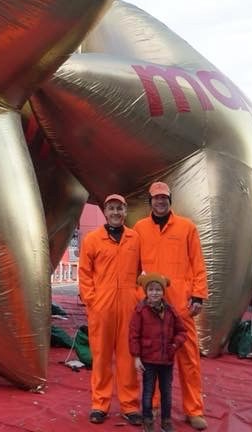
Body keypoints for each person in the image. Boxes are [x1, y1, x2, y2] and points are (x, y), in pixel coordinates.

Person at [133, 182, 209, 431]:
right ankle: (153, 406)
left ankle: (194, 409)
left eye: (164, 198)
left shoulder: (187, 227)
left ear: (170, 200)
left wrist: (197, 295)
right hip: (152, 306)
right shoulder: (140, 229)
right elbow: (133, 267)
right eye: (156, 198)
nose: (160, 202)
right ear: (150, 202)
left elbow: (198, 263)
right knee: (153, 358)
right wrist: (139, 295)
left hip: (181, 304)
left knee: (189, 359)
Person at [78, 194, 142, 425]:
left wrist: (138, 297)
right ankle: (100, 404)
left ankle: (130, 405)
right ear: (105, 212)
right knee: (102, 357)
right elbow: (84, 273)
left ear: (125, 212)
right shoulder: (93, 239)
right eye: (112, 208)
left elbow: (144, 271)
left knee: (128, 357)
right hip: (101, 306)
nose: (116, 212)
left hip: (128, 305)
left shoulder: (135, 238)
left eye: (120, 208)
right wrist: (92, 301)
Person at [129, 273, 187, 432]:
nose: (155, 293)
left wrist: (174, 345)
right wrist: (136, 357)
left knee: (166, 393)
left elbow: (182, 332)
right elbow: (134, 336)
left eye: (158, 289)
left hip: (166, 361)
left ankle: (166, 420)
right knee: (148, 392)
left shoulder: (170, 311)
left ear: (163, 291)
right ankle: (147, 420)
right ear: (146, 292)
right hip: (148, 360)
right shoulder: (140, 311)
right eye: (151, 289)